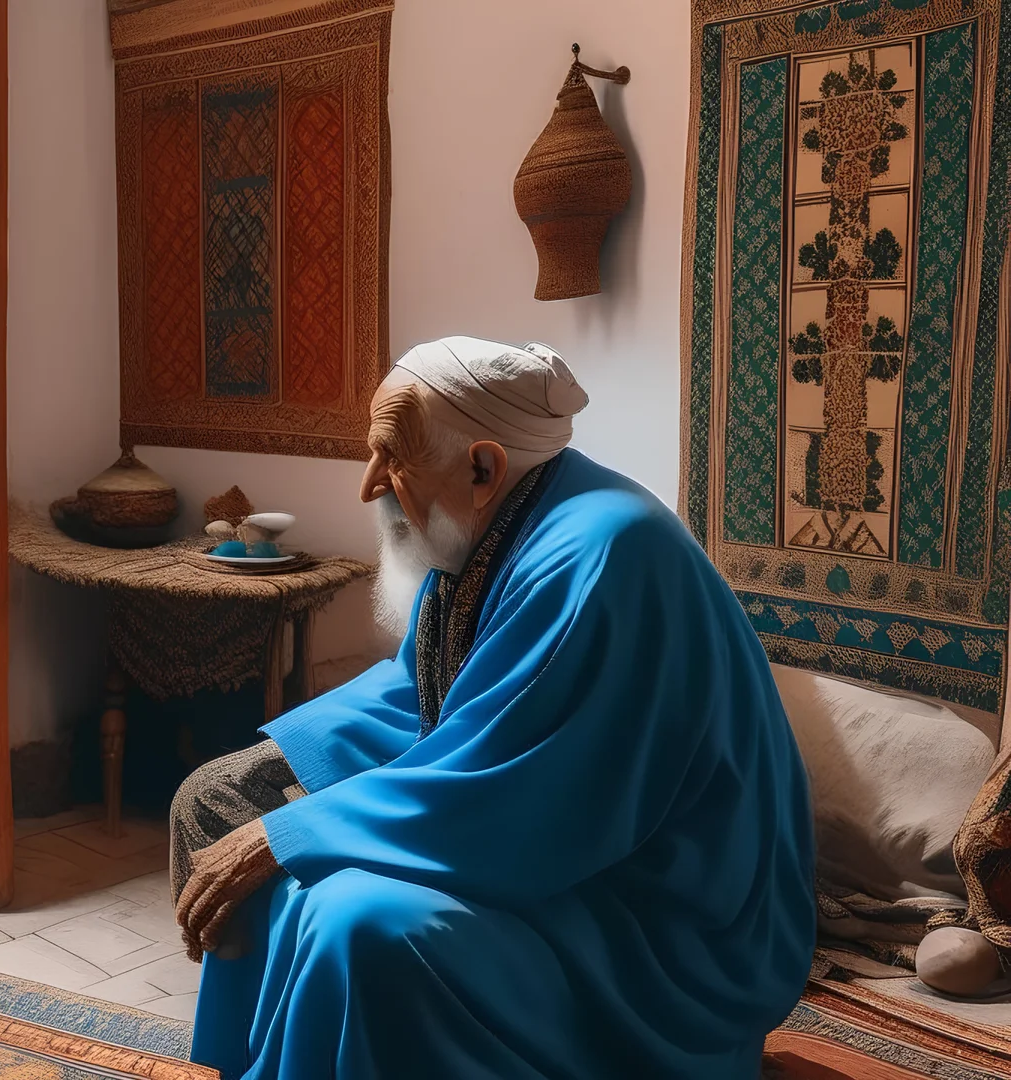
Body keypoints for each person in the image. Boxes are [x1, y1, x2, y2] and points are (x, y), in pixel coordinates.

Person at [170, 337, 816, 1078]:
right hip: (565, 853)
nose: (369, 485)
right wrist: (275, 765)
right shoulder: (503, 523)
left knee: (355, 923)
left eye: (391, 456)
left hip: (662, 929)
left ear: (482, 466)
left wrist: (284, 835)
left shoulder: (600, 555)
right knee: (231, 809)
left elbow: (514, 790)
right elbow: (426, 693)